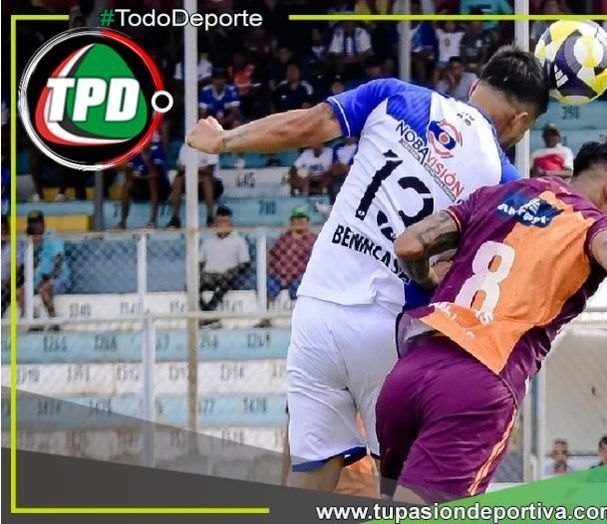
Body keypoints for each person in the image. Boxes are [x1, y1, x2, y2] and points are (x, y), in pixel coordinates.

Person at [185, 46, 549, 493]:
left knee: (311, 472)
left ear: (475, 86)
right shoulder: (503, 183)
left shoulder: (394, 96)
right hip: (390, 332)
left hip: (318, 306)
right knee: (397, 485)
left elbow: (305, 125)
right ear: (521, 122)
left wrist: (223, 140)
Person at [377, 136, 607, 502]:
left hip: (410, 371)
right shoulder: (592, 223)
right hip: (479, 382)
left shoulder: (499, 194)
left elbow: (409, 244)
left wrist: (427, 279)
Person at [258, 206, 316, 328]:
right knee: (269, 284)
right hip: (281, 275)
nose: (299, 222)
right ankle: (266, 317)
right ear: (292, 221)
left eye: (302, 219)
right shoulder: (284, 238)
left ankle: (303, 321)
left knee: (301, 286)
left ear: (307, 221)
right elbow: (273, 258)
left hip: (301, 276)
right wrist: (278, 274)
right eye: (297, 219)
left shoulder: (313, 240)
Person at [198, 206, 251, 325]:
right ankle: (207, 311)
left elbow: (245, 263)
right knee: (191, 284)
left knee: (226, 280)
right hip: (210, 274)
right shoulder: (208, 240)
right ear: (215, 223)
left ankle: (207, 312)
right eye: (220, 222)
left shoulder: (239, 241)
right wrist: (199, 273)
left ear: (230, 223)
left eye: (225, 222)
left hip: (228, 275)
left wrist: (233, 271)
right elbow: (199, 262)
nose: (222, 225)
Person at [26, 211, 70, 328]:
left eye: (37, 223)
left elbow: (59, 258)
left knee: (44, 290)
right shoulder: (33, 240)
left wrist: (52, 278)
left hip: (58, 276)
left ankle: (54, 321)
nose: (35, 226)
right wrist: (34, 246)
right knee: (22, 291)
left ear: (43, 222)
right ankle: (34, 323)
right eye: (32, 223)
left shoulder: (51, 236)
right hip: (40, 277)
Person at [117, 138, 169, 229]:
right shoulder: (134, 152)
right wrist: (138, 176)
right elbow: (128, 173)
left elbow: (155, 174)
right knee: (127, 185)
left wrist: (147, 158)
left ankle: (153, 221)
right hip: (141, 187)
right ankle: (122, 222)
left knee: (152, 182)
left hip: (161, 188)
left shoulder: (156, 149)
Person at [166, 145, 221, 228]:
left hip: (213, 184)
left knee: (206, 179)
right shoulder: (184, 147)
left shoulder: (210, 146)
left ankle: (210, 217)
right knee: (178, 180)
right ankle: (175, 218)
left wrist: (192, 170)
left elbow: (210, 170)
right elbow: (181, 169)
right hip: (192, 181)